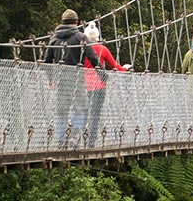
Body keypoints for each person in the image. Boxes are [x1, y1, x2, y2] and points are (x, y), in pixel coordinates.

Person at [43, 8, 90, 145]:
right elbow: (92, 56)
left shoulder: (54, 39)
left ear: (62, 22)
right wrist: (101, 72)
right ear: (76, 22)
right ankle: (74, 137)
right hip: (77, 78)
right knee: (81, 107)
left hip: (60, 78)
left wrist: (50, 79)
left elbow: (47, 62)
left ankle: (60, 140)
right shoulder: (81, 37)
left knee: (61, 109)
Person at [81, 21, 129, 146]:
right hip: (98, 86)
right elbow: (115, 66)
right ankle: (90, 143)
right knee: (95, 114)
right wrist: (125, 68)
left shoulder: (80, 49)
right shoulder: (102, 49)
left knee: (82, 112)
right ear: (97, 37)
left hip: (81, 85)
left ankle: (78, 140)